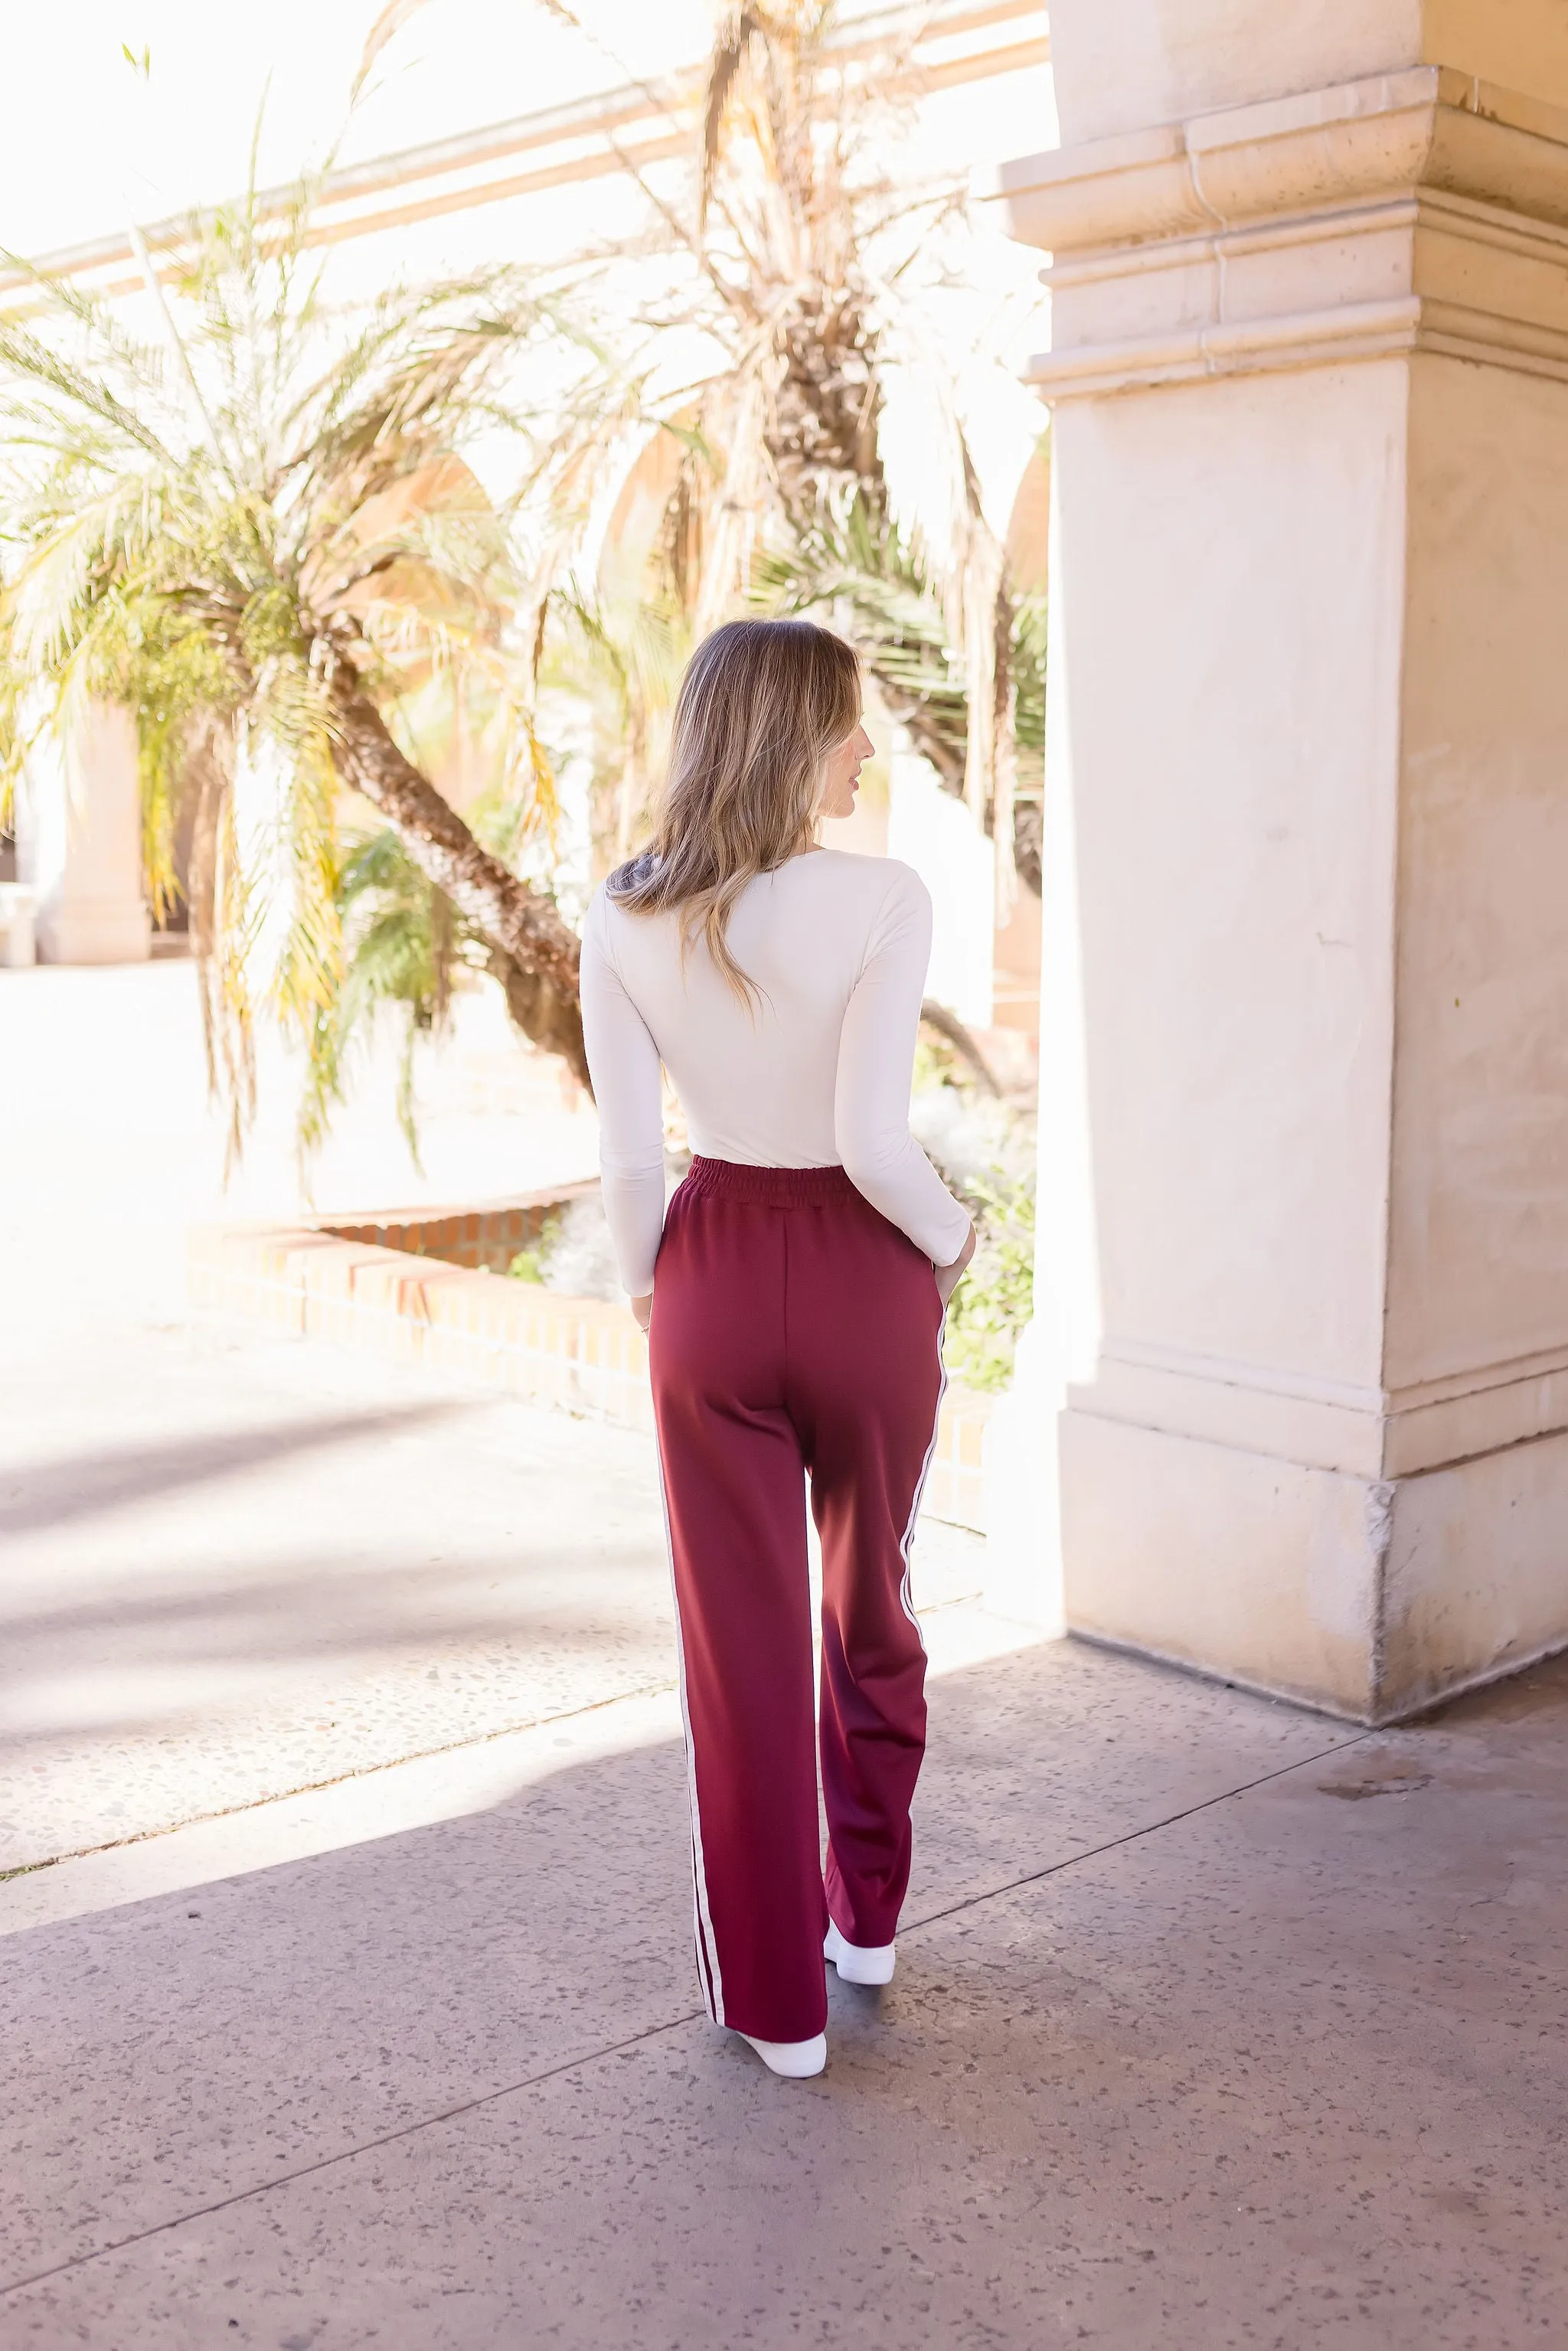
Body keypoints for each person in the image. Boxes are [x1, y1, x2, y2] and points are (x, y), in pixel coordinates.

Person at [580, 617, 975, 2080]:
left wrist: (648, 1291)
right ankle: (864, 1921)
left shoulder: (623, 913)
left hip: (712, 1276)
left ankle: (778, 2013)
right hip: (867, 1275)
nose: (865, 749)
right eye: (848, 725)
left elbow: (631, 1162)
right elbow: (875, 1143)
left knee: (737, 1661)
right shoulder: (886, 898)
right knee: (871, 1605)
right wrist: (952, 1237)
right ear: (790, 734)